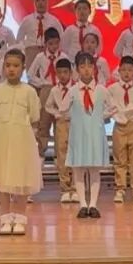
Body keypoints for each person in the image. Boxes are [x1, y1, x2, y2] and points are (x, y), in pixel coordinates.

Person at [0, 49, 43, 236]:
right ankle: (5, 218)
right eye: (8, 65)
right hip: (2, 137)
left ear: (23, 68)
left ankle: (19, 218)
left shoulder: (29, 91)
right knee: (3, 177)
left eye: (16, 66)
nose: (11, 69)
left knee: (21, 177)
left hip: (22, 138)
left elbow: (34, 115)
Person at [64, 53, 112, 219]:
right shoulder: (72, 91)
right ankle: (83, 204)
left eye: (89, 66)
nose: (86, 70)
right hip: (78, 134)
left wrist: (100, 118)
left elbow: (112, 107)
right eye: (82, 66)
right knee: (78, 169)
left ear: (94, 69)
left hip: (95, 133)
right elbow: (63, 109)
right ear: (77, 69)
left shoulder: (101, 90)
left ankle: (93, 204)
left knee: (94, 170)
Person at [107, 57, 133, 204]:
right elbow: (108, 106)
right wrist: (117, 115)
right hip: (119, 126)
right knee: (120, 158)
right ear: (119, 71)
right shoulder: (112, 89)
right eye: (123, 70)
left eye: (129, 70)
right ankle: (120, 188)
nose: (126, 73)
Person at [27, 28, 68, 161]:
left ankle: (59, 154)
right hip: (46, 89)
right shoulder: (40, 57)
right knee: (43, 122)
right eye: (50, 43)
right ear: (45, 44)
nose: (54, 46)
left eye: (56, 43)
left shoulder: (63, 56)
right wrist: (42, 83)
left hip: (60, 90)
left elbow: (71, 74)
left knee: (60, 122)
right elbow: (30, 74)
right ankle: (40, 153)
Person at [45, 58, 77, 202]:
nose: (63, 75)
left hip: (75, 123)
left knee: (75, 154)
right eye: (60, 73)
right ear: (56, 74)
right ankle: (65, 188)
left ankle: (75, 187)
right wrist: (56, 113)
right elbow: (48, 106)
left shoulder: (76, 88)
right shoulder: (54, 90)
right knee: (61, 154)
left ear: (71, 72)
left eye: (65, 72)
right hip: (61, 123)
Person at [16, 0, 64, 66]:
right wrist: (25, 50)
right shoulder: (27, 20)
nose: (41, 3)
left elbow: (62, 39)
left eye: (43, 0)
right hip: (31, 52)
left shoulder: (54, 21)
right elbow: (19, 39)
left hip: (49, 51)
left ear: (48, 1)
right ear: (33, 2)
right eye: (37, 0)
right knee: (31, 73)